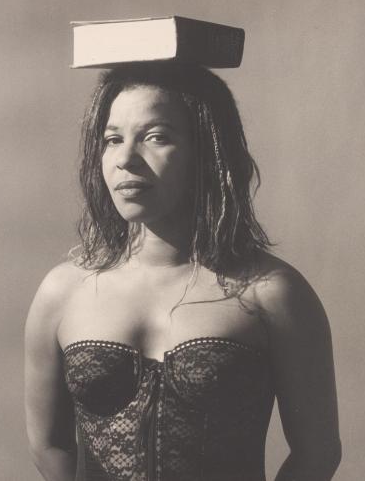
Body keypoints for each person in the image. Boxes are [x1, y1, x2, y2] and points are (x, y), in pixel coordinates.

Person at [24, 62, 341, 481]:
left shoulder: (273, 292)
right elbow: (49, 446)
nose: (126, 159)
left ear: (208, 150)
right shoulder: (63, 292)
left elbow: (317, 454)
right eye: (112, 139)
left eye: (155, 137)